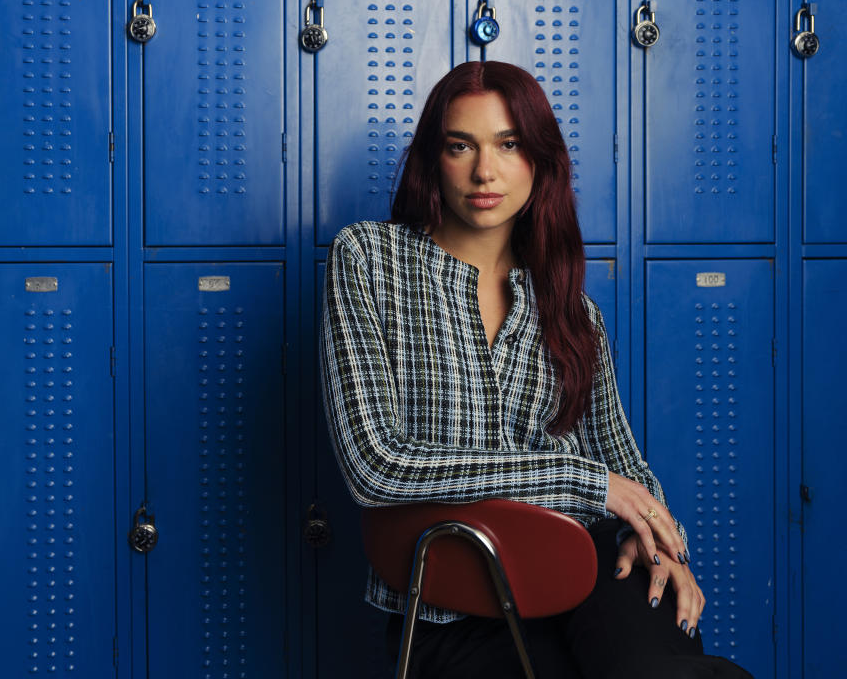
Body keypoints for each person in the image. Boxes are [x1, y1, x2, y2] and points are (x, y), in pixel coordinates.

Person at [319, 61, 753, 678]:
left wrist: (663, 541)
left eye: (509, 144)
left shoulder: (572, 311)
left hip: (585, 574)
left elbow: (621, 461)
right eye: (460, 145)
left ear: (539, 160)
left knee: (656, 664)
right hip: (452, 603)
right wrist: (582, 482)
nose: (484, 171)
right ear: (432, 159)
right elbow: (376, 465)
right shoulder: (367, 260)